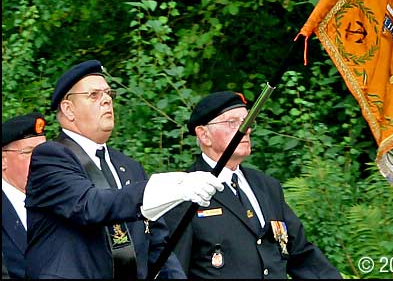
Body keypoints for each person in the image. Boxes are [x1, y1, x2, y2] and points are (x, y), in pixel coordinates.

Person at [24, 59, 224, 279]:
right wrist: (166, 186)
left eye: (109, 93)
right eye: (94, 95)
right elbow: (91, 205)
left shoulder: (129, 167)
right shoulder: (51, 157)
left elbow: (157, 245)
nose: (107, 100)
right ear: (68, 109)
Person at [165, 91, 342, 279]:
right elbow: (174, 268)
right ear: (204, 135)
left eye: (247, 121)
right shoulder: (185, 191)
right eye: (232, 122)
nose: (246, 129)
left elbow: (302, 256)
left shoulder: (267, 187)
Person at [2, 112, 47, 279]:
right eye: (29, 153)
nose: (42, 160)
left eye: (45, 152)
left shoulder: (57, 201)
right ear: (3, 160)